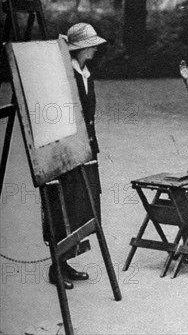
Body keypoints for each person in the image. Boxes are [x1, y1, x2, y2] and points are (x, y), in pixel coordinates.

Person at [46, 23, 106, 289]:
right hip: (68, 152)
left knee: (85, 205)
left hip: (87, 147)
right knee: (65, 206)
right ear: (80, 47)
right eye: (91, 44)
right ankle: (56, 268)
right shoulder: (65, 75)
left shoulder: (85, 72)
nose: (95, 48)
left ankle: (66, 261)